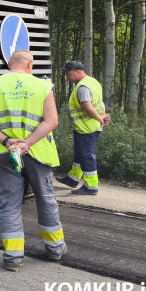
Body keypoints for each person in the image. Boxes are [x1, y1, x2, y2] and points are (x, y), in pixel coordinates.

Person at [0, 50, 66, 271]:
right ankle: (55, 249)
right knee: (45, 199)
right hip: (38, 153)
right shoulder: (43, 86)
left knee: (9, 203)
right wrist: (28, 143)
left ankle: (13, 257)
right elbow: (51, 121)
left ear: (9, 64)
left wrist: (7, 141)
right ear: (30, 65)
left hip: (6, 153)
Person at [56, 61, 110, 195]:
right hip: (90, 125)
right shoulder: (93, 82)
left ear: (78, 71)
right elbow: (100, 102)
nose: (67, 77)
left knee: (86, 155)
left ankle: (91, 186)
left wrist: (100, 118)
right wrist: (102, 116)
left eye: (68, 74)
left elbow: (88, 107)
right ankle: (73, 178)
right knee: (80, 153)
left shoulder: (83, 87)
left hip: (86, 127)